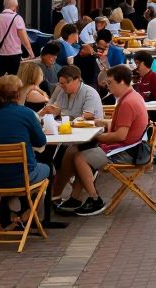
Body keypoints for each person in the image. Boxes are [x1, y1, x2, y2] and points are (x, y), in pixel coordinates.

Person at [53, 65, 149, 217]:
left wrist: (94, 137)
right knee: (76, 151)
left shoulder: (127, 103)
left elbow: (120, 136)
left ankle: (95, 199)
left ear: (122, 82)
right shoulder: (131, 97)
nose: (107, 86)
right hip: (131, 147)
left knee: (80, 157)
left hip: (127, 151)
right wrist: (102, 122)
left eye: (110, 83)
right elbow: (122, 127)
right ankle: (76, 198)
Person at [0, 75, 50, 227]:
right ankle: (32, 215)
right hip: (20, 177)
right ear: (18, 93)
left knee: (9, 170)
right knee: (48, 168)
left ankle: (14, 211)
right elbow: (41, 141)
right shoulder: (26, 114)